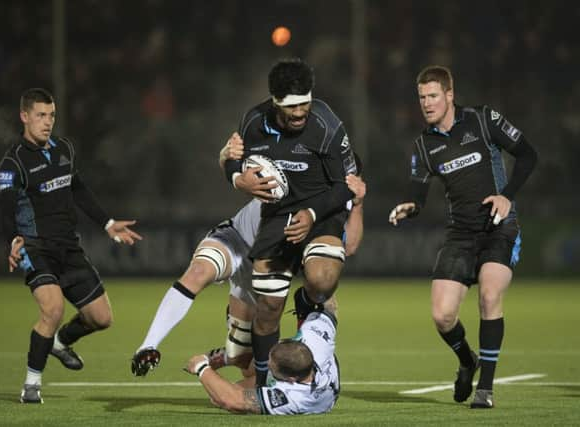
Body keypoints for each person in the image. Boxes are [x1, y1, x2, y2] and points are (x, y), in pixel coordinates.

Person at [131, 136, 365, 377]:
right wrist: (227, 155)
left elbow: (349, 248)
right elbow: (236, 162)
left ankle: (226, 355)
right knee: (199, 272)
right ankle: (148, 346)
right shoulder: (293, 170)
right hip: (237, 240)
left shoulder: (336, 207)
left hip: (267, 265)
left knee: (241, 358)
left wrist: (357, 204)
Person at [389, 66, 538, 408]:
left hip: (499, 228)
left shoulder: (483, 120)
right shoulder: (423, 145)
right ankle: (467, 361)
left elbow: (529, 155)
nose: (426, 103)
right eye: (422, 97)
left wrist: (508, 195)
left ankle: (485, 390)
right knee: (442, 316)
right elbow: (419, 193)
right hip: (460, 235)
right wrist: (409, 207)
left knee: (489, 295)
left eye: (433, 96)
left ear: (450, 95)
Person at [0, 88, 142, 404]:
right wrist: (12, 240)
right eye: (40, 115)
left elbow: (78, 188)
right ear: (24, 116)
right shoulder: (13, 163)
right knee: (53, 309)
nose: (47, 122)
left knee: (101, 318)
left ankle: (60, 343)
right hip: (35, 249)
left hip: (69, 248)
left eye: (51, 116)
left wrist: (106, 223)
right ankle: (31, 385)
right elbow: (6, 211)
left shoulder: (64, 149)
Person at [223, 58, 358, 385]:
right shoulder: (253, 122)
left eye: (305, 103)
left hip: (323, 211)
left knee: (322, 279)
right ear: (275, 101)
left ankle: (308, 302)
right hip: (278, 216)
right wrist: (237, 179)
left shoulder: (327, 124)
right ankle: (266, 381)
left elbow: (346, 186)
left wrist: (311, 215)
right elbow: (233, 161)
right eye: (291, 106)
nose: (300, 112)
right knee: (267, 307)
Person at [185, 287, 340, 415]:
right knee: (307, 298)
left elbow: (231, 400)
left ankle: (230, 357)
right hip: (311, 375)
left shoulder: (291, 397)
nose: (266, 362)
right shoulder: (316, 340)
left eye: (271, 364)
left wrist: (201, 368)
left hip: (314, 395)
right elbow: (330, 306)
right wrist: (315, 290)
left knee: (218, 397)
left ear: (289, 379)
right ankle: (230, 356)